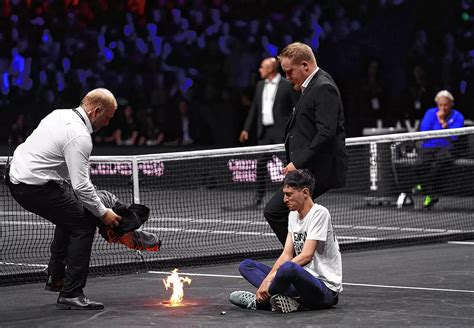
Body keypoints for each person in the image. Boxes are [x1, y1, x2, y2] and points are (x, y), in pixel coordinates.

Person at [8, 88, 122, 310]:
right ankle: (71, 293)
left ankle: (56, 277)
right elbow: (81, 186)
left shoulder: (58, 114)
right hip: (33, 187)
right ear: (96, 111)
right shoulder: (80, 136)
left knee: (70, 214)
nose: (108, 123)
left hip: (19, 178)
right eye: (107, 117)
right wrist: (104, 213)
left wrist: (90, 200)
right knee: (83, 225)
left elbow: (69, 176)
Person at [264, 42, 347, 246]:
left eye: (289, 71)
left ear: (305, 66)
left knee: (275, 210)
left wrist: (297, 163)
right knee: (300, 214)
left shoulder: (323, 87)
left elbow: (326, 133)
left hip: (318, 170)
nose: (287, 77)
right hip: (307, 169)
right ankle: (306, 257)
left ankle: (299, 257)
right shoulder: (310, 86)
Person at [229, 170, 342, 313]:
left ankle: (260, 302)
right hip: (299, 284)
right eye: (284, 194)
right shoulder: (293, 215)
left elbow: (306, 256)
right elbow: (286, 254)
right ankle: (289, 300)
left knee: (288, 268)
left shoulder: (319, 213)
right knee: (246, 266)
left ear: (305, 193)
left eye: (289, 194)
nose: (284, 199)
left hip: (324, 291)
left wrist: (269, 283)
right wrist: (267, 280)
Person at [239, 57, 297, 205]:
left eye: (262, 67)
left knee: (286, 165)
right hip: (264, 132)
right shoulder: (259, 85)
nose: (259, 70)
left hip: (281, 132)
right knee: (260, 164)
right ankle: (260, 194)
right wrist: (246, 129)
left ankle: (289, 194)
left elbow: (296, 107)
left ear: (271, 69)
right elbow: (254, 109)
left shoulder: (286, 85)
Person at [414, 90, 464, 208]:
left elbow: (454, 136)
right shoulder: (430, 113)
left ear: (451, 103)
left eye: (445, 105)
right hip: (428, 146)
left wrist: (442, 122)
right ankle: (429, 192)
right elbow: (424, 131)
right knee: (419, 164)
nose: (443, 108)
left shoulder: (458, 116)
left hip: (446, 147)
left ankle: (427, 192)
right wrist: (436, 120)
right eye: (440, 105)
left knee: (437, 166)